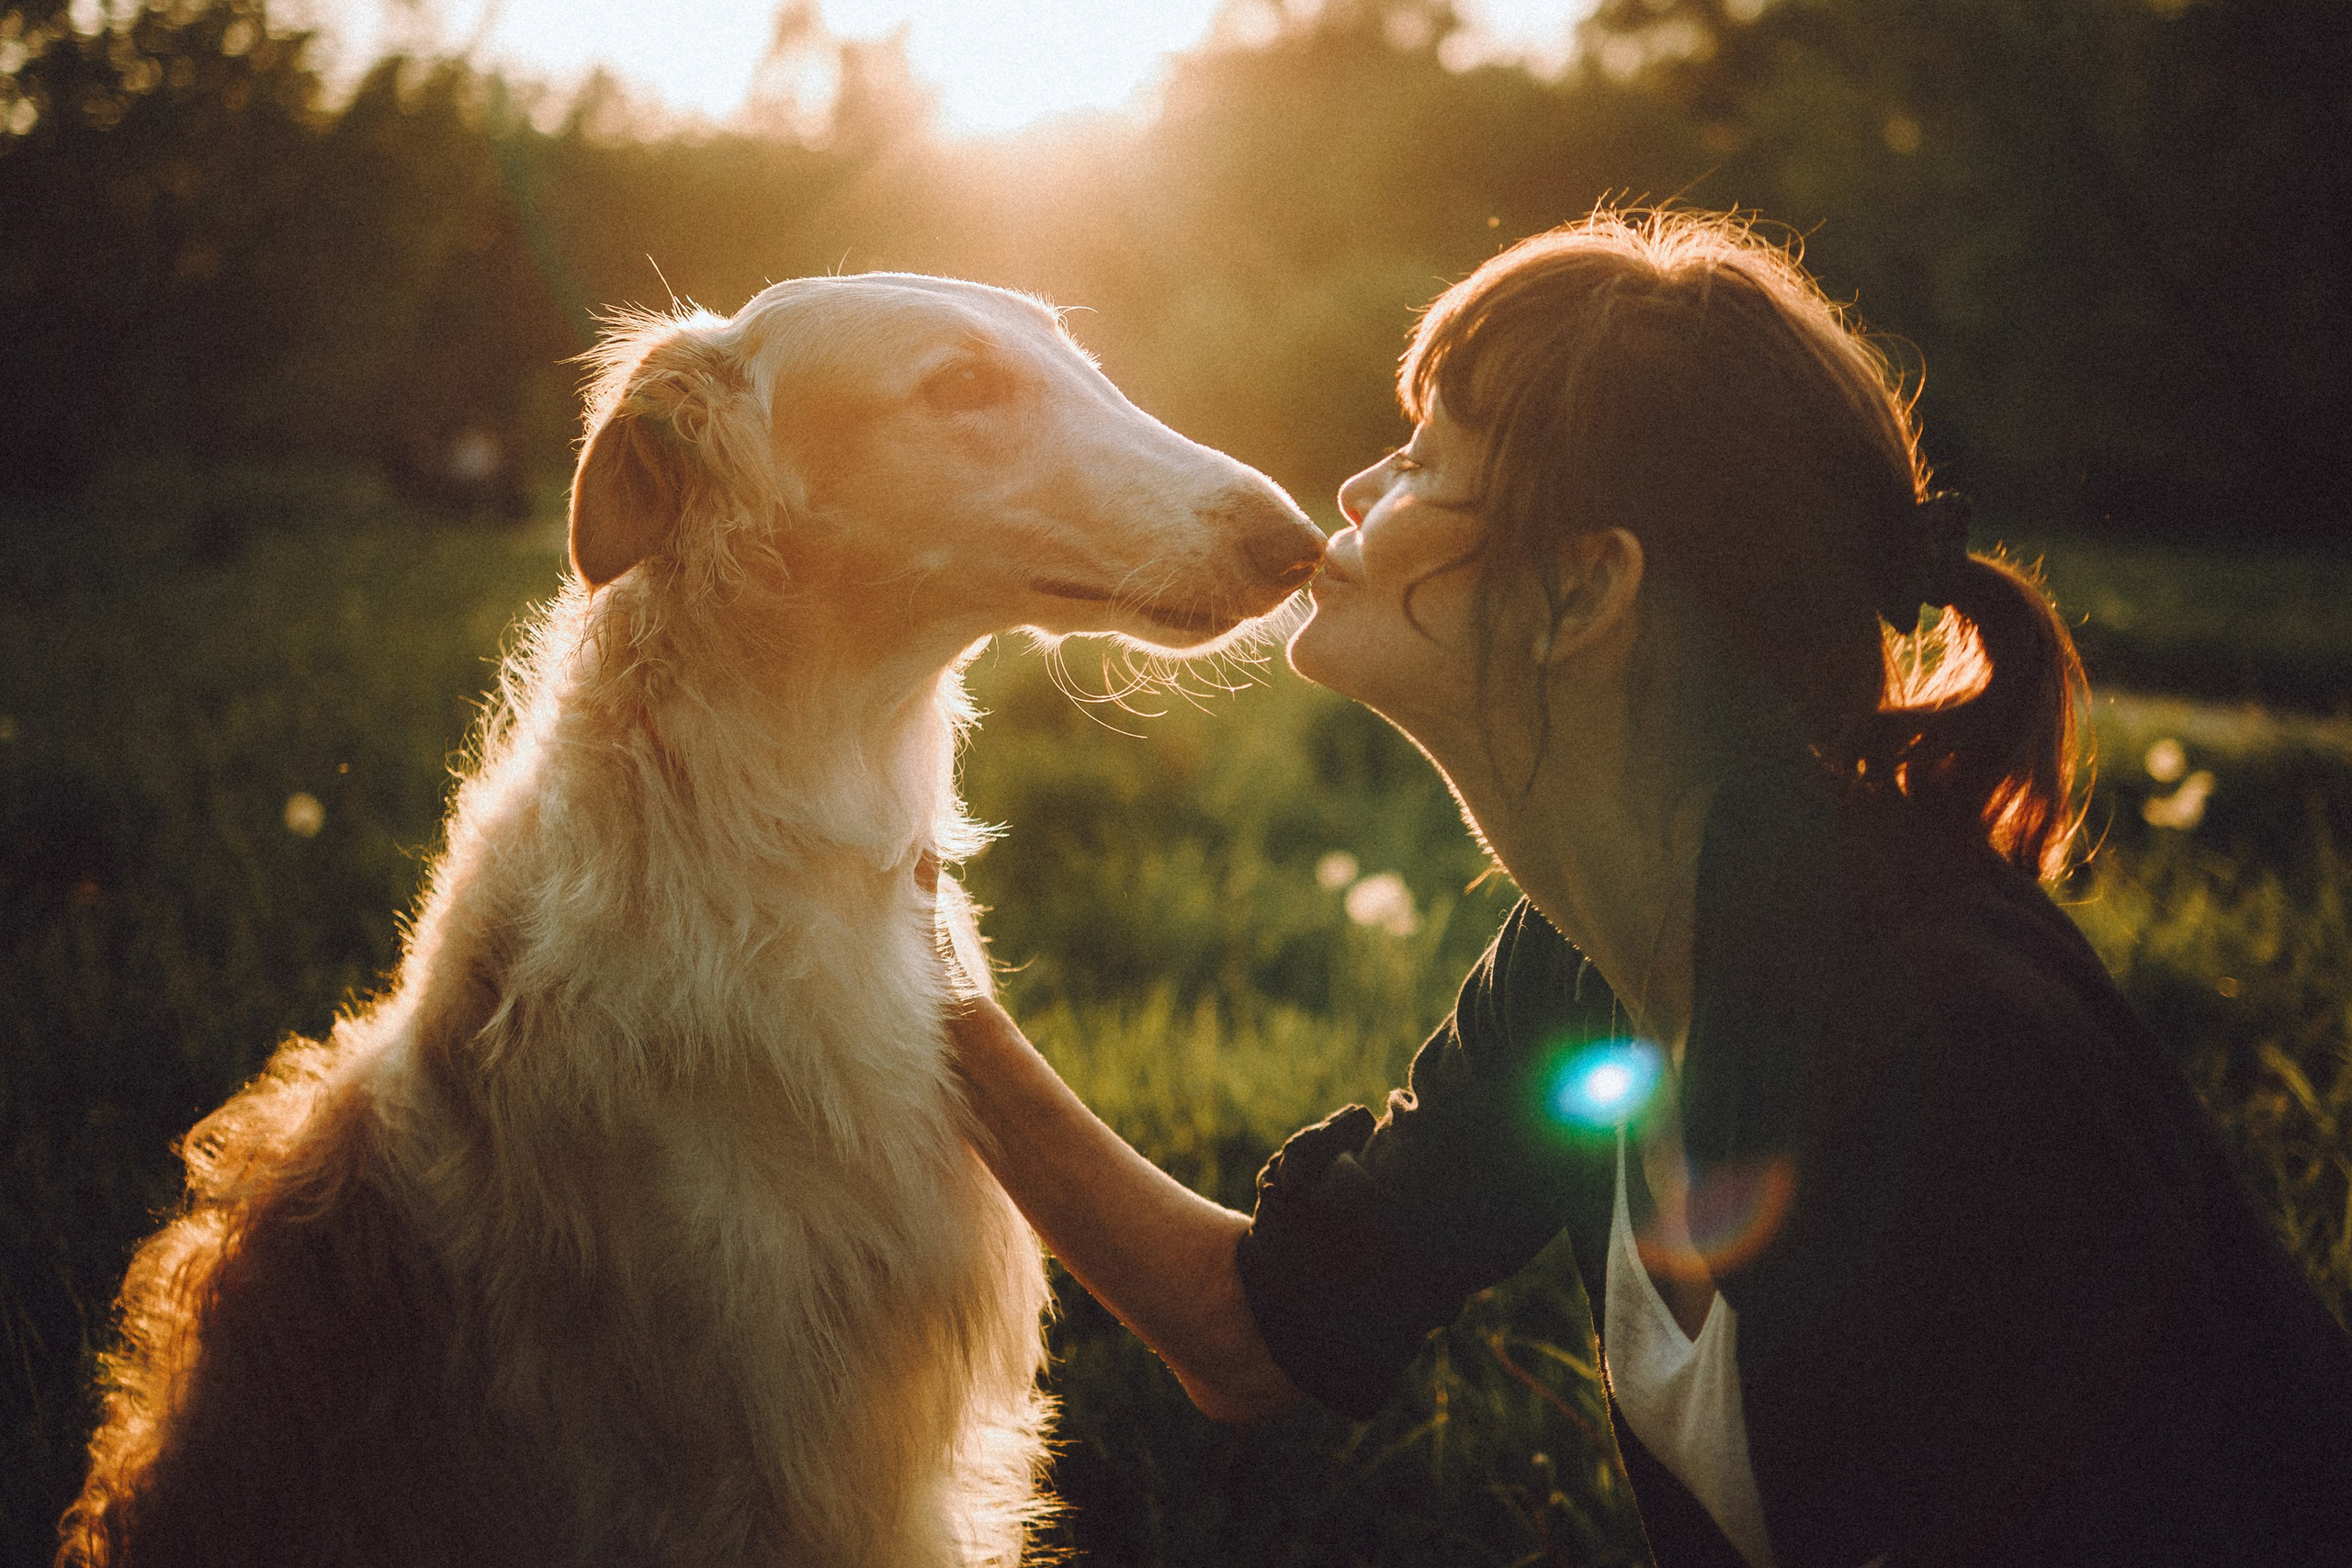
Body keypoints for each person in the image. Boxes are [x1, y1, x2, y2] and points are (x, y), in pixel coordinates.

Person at [944, 209, 2352, 1567]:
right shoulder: (1579, 969)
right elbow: (1251, 1342)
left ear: (1582, 592)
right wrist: (929, 990)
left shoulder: (1963, 1071)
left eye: (1425, 463)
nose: (1356, 493)